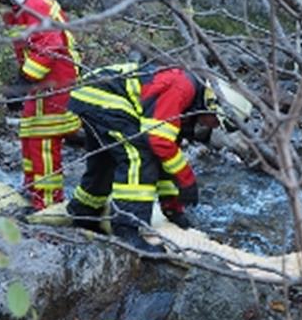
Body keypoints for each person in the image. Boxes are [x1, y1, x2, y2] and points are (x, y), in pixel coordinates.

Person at [65, 61, 252, 254]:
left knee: (105, 161)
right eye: (217, 121)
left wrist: (173, 208)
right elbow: (158, 143)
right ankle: (127, 230)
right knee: (138, 156)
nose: (214, 127)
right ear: (212, 104)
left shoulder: (187, 104)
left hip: (91, 95)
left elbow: (166, 159)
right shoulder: (181, 88)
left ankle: (84, 210)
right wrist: (187, 180)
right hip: (100, 96)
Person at [0, 0, 81, 211]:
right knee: (30, 132)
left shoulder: (34, 5)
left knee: (44, 138)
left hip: (55, 80)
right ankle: (31, 188)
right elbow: (29, 48)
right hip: (44, 79)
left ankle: (47, 203)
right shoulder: (23, 5)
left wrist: (23, 82)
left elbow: (51, 46)